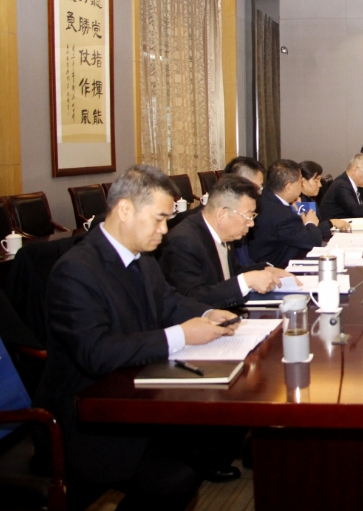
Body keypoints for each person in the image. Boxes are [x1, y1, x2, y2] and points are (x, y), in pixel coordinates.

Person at [33, 165, 242, 510]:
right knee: (175, 479)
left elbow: (168, 302)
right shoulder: (76, 270)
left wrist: (206, 314)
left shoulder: (141, 258)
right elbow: (95, 353)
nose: (165, 229)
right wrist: (180, 335)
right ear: (125, 210)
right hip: (85, 420)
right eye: (159, 219)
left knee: (206, 443)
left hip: (135, 397)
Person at [161, 174, 297, 309]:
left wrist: (266, 270)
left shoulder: (225, 232)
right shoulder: (183, 241)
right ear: (222, 215)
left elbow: (232, 271)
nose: (251, 224)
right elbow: (192, 298)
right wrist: (246, 281)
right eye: (248, 216)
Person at [247, 159, 342, 267]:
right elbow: (313, 242)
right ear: (288, 187)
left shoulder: (264, 198)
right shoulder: (282, 214)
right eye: (300, 182)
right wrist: (310, 223)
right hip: (277, 267)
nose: (301, 185)